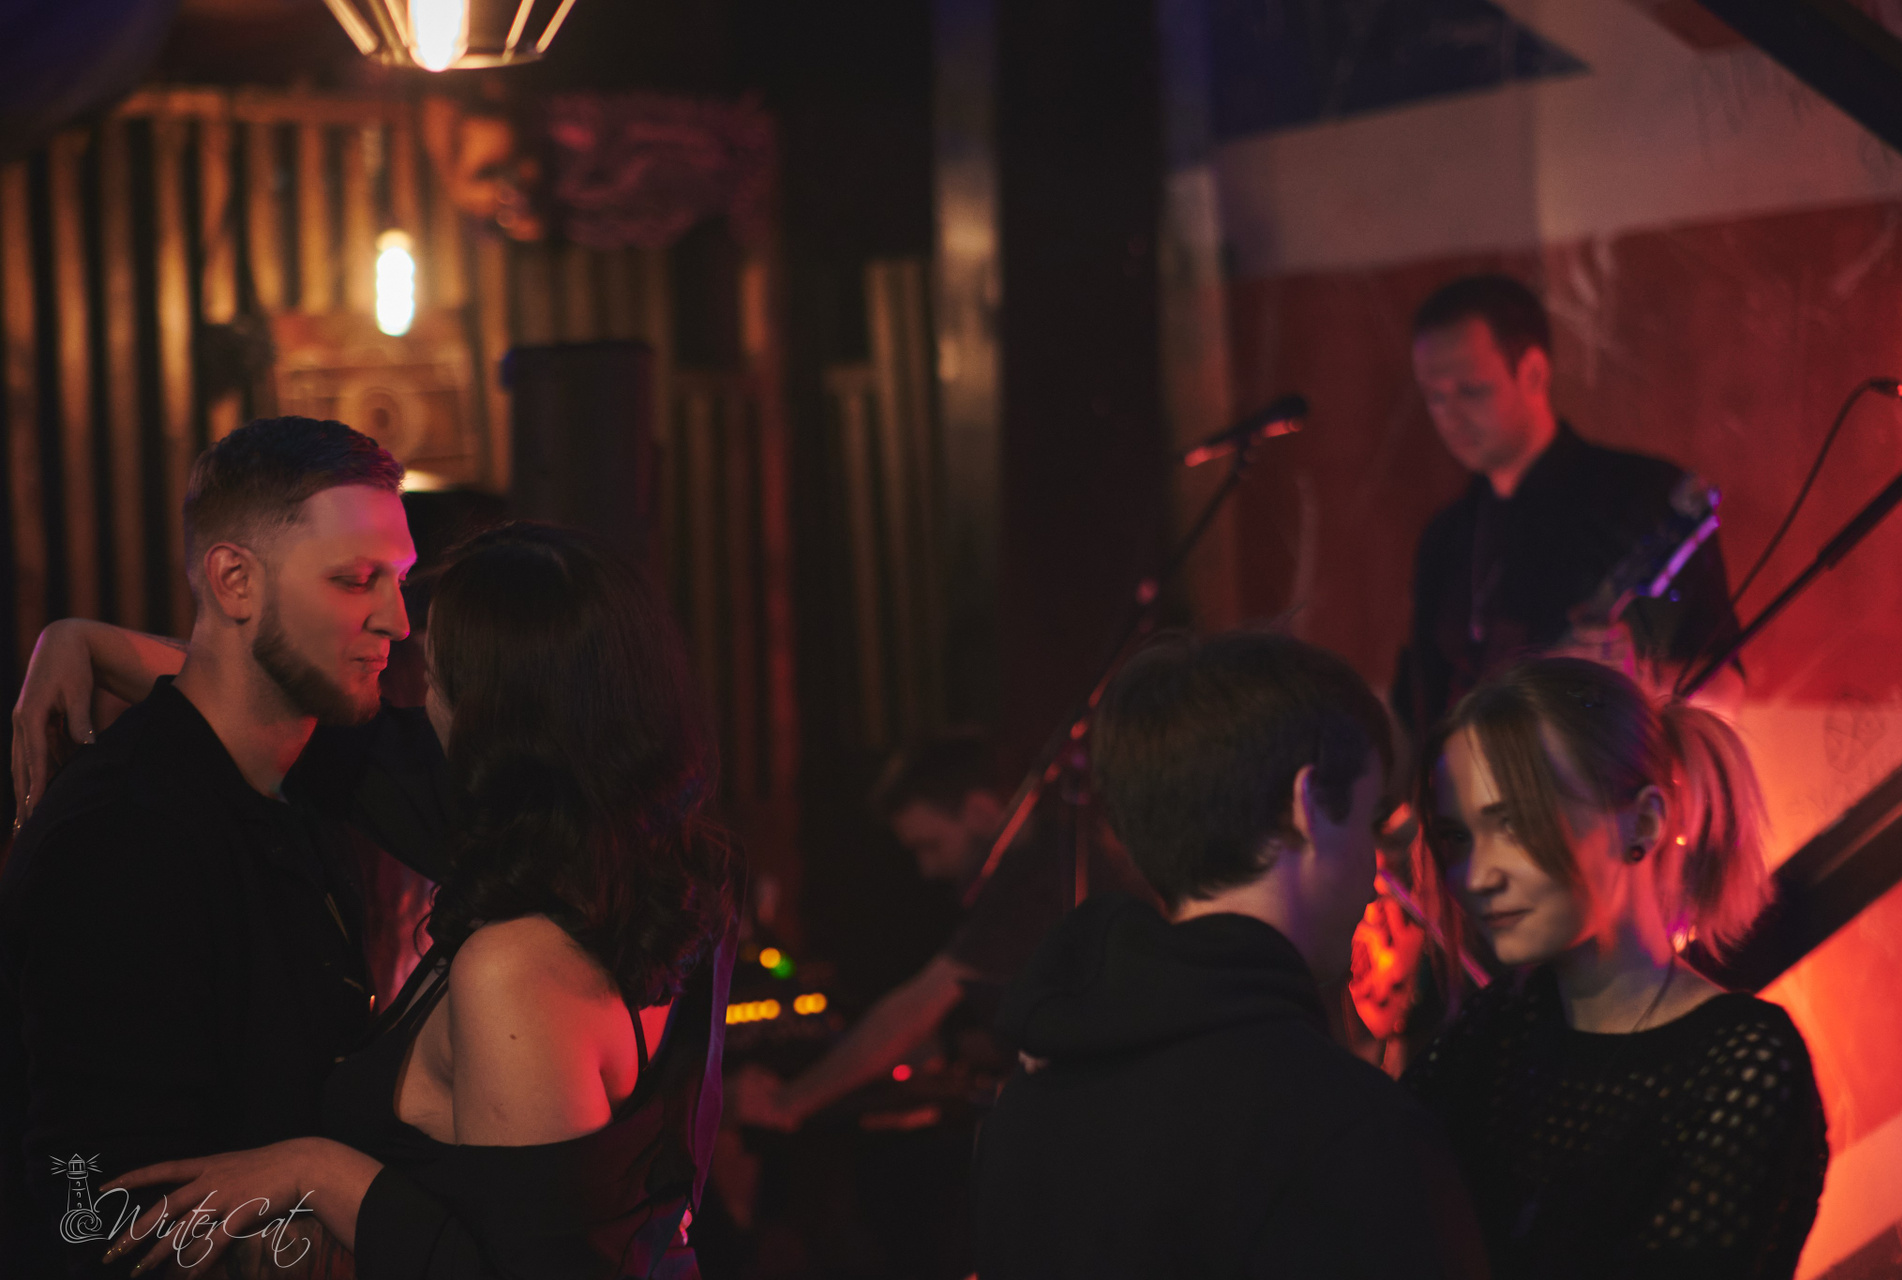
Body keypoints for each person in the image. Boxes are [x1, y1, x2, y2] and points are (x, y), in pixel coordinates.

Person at [96, 522, 740, 1277]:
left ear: (491, 719)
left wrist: (315, 1169)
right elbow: (285, 725)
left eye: (432, 677)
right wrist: (86, 645)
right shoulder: (671, 873)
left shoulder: (515, 967)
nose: (417, 698)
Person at [0, 417, 448, 1276]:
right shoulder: (124, 839)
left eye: (398, 580)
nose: (396, 620)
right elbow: (99, 1218)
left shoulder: (298, 788)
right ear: (234, 580)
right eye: (356, 580)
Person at [972, 632, 1489, 1280]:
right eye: (1369, 821)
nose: (1375, 869)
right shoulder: (1348, 1130)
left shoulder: (1022, 1111)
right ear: (1307, 807)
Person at [1402, 656, 1826, 1280]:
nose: (1477, 876)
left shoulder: (1740, 1060)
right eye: (1457, 838)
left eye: (1514, 824)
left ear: (1644, 822)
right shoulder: (1493, 1032)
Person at [730, 733, 1144, 1132]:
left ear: (980, 811)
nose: (927, 869)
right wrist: (947, 1047)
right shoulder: (1058, 852)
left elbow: (913, 1011)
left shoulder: (1039, 882)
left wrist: (790, 1101)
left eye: (930, 846)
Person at [1392, 274, 1737, 745]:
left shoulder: (1639, 497)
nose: (1449, 416)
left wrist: (1642, 677)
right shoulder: (1445, 535)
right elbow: (1421, 710)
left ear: (1534, 371)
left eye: (1471, 389)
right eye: (1434, 395)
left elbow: (1727, 692)